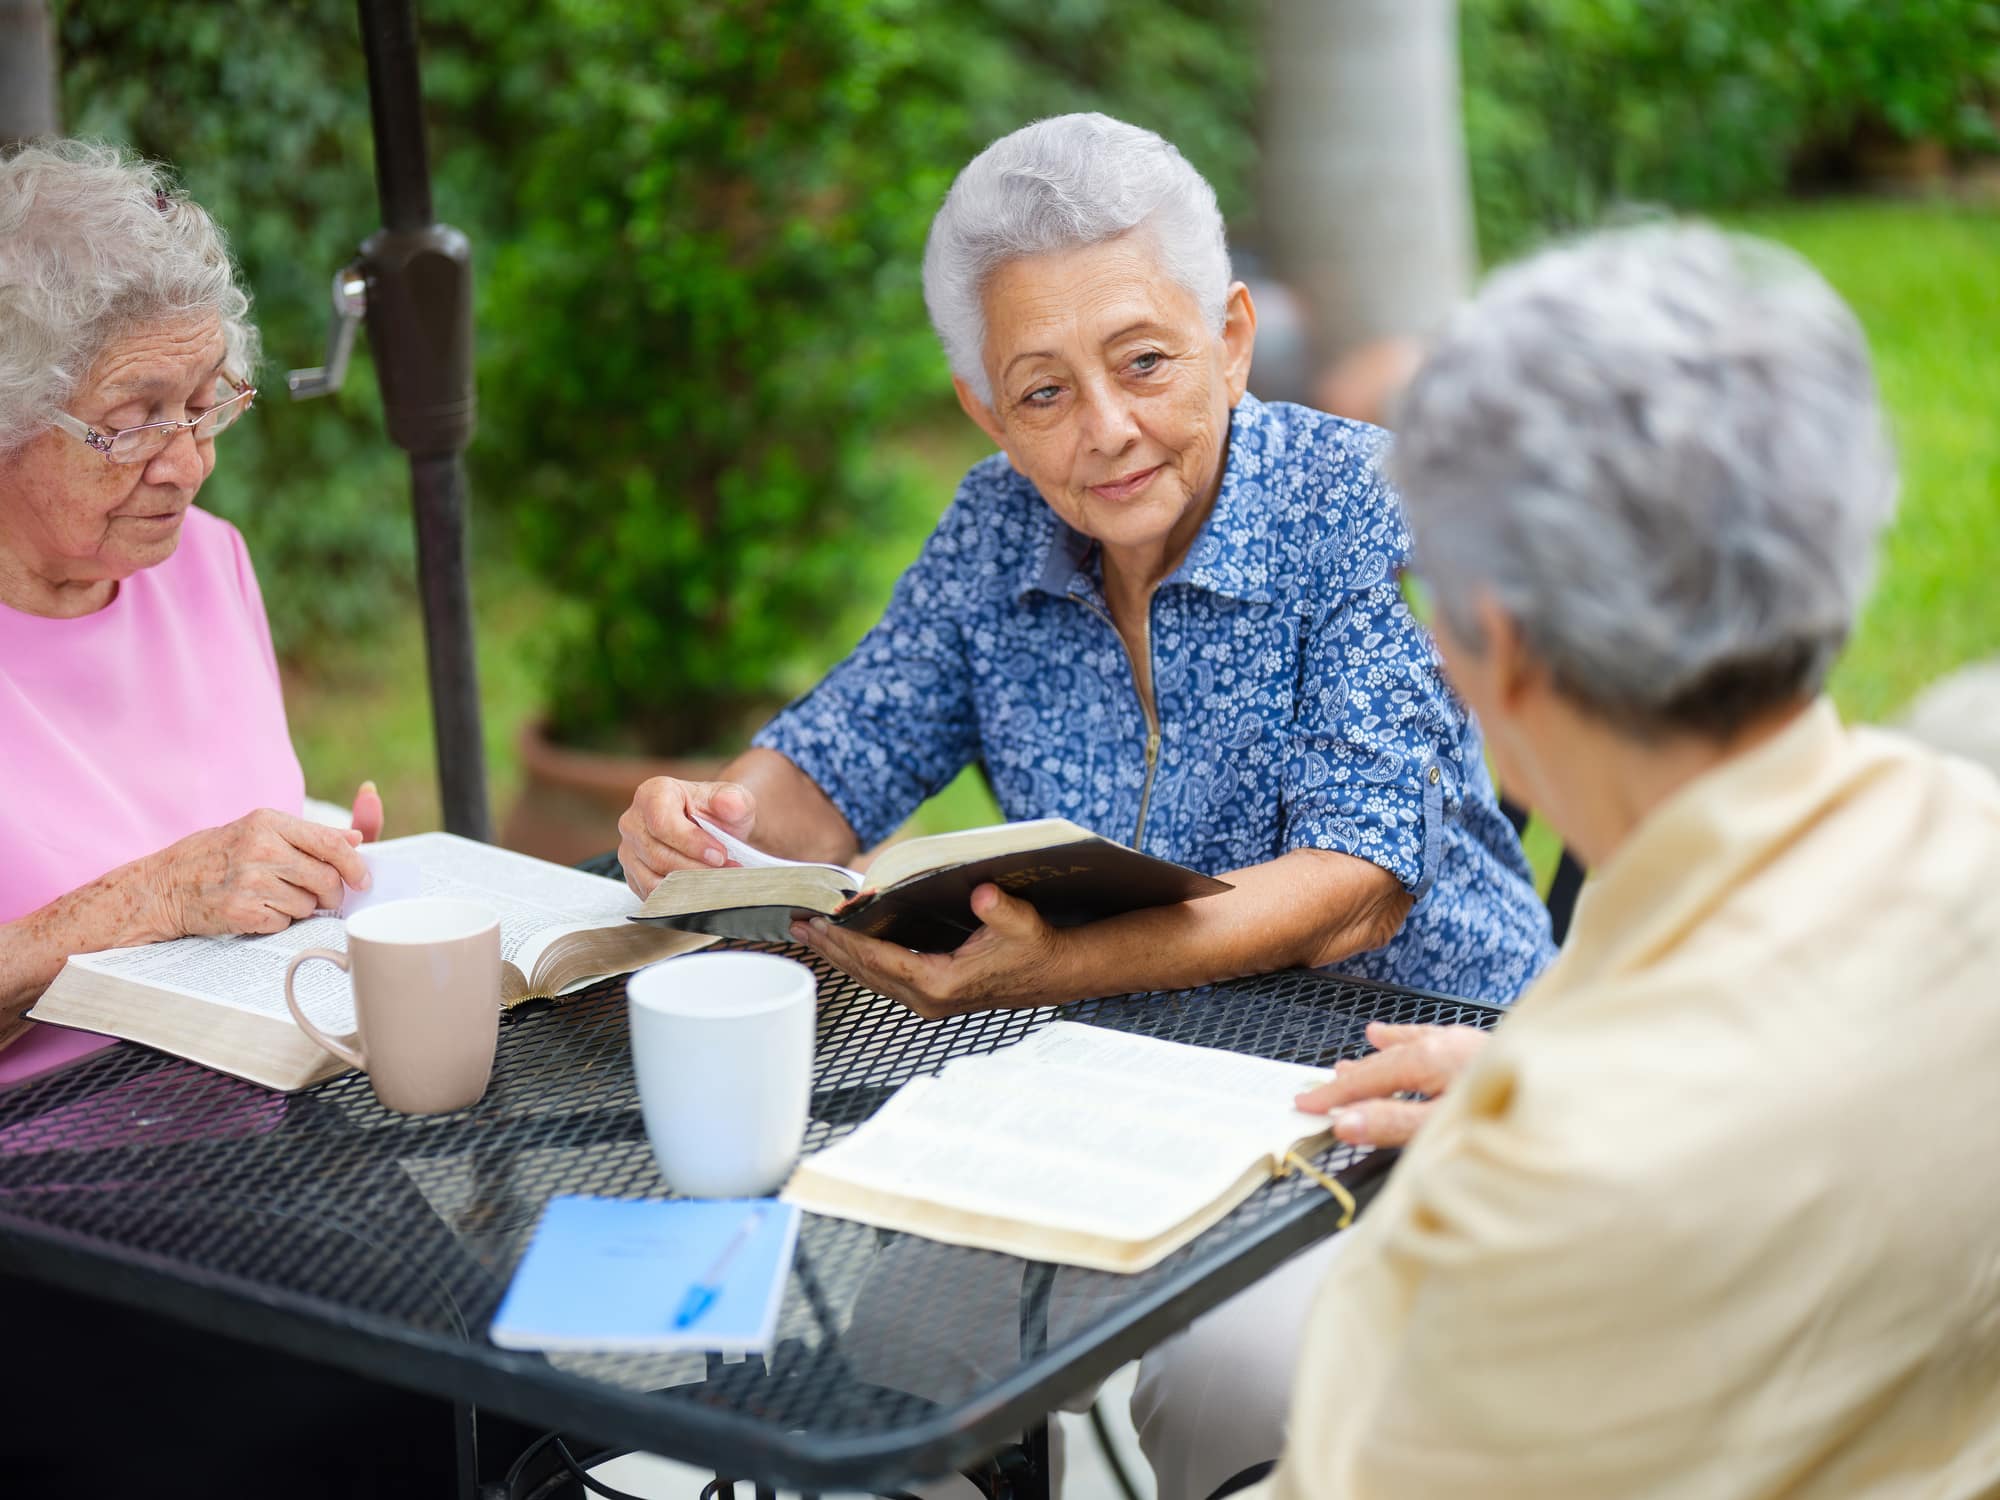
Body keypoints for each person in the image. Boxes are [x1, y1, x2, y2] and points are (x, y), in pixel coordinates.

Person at [1233, 225, 2000, 1498]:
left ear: (1505, 650)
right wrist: (1540, 1074)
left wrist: (1527, 1135)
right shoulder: (1967, 843)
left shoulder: (1533, 1202)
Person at [618, 113, 1553, 1020]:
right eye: (1044, 392)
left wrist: (1062, 968)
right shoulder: (997, 526)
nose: (1106, 431)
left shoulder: (1354, 498)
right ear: (989, 415)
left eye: (1143, 361)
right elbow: (836, 762)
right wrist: (708, 828)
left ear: (1229, 342)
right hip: (1149, 1067)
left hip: (1444, 1056)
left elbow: (1357, 886)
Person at [0, 138, 526, 1496]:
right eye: (131, 416)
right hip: (46, 1218)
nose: (187, 463)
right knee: (431, 1388)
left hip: (273, 1142)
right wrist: (143, 900)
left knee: (550, 1326)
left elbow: (217, 838)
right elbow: (156, 882)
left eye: (206, 404)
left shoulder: (205, 569)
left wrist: (308, 858)